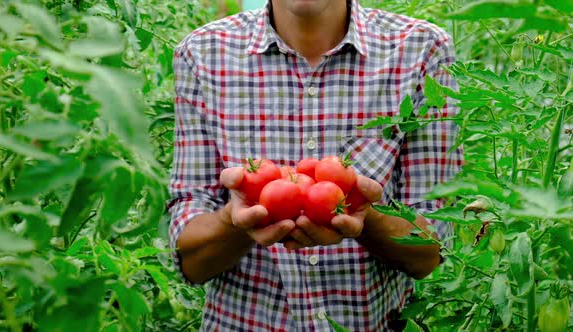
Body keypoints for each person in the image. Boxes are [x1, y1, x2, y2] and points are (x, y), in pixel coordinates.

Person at [168, 0, 463, 330]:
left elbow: (430, 252)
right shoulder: (203, 53)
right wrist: (234, 221)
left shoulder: (420, 50)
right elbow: (190, 261)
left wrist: (367, 217)